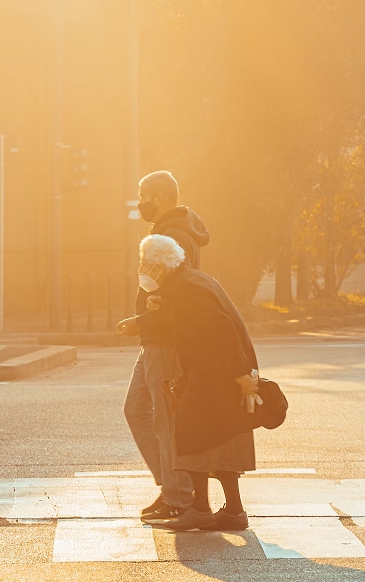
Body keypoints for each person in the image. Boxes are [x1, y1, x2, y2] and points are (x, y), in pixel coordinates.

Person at [128, 234, 260, 531]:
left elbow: (220, 328)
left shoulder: (188, 288)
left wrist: (241, 374)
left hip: (214, 371)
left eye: (146, 263)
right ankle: (232, 511)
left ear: (159, 266)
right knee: (215, 440)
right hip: (212, 370)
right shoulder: (187, 282)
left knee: (193, 435)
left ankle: (200, 509)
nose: (142, 269)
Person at [117, 171, 210, 524]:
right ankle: (171, 486)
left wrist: (143, 321)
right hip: (156, 338)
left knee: (164, 419)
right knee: (137, 409)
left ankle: (178, 497)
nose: (141, 203)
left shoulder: (172, 235)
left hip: (166, 340)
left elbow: (173, 297)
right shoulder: (176, 231)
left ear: (160, 197)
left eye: (144, 196)